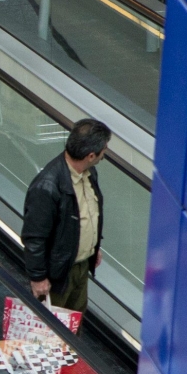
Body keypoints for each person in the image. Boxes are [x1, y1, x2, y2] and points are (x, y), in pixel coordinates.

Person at [22, 119, 109, 311]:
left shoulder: (89, 173)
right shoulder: (47, 186)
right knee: (51, 332)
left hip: (81, 266)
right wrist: (38, 278)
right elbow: (34, 237)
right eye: (104, 150)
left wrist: (93, 245)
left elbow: (89, 213)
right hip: (57, 274)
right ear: (91, 155)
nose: (106, 152)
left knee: (74, 326)